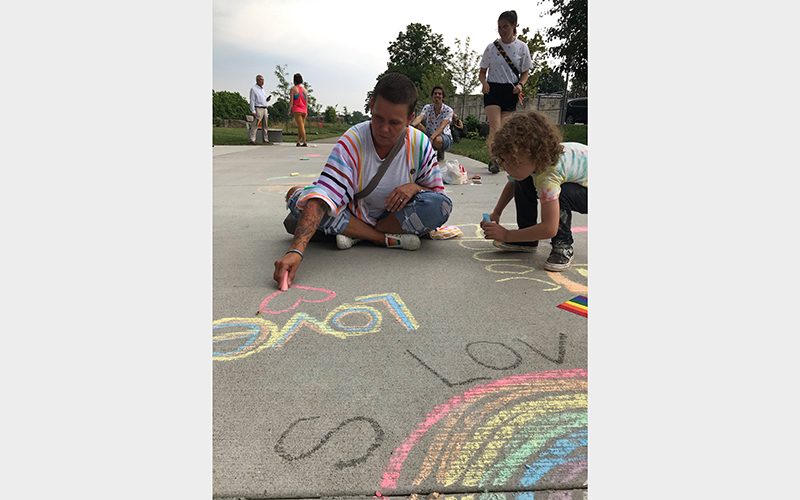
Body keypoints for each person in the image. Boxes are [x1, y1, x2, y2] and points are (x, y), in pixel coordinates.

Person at [273, 73, 453, 286]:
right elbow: (323, 196)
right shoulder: (352, 141)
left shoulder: (420, 144)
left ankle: (357, 233)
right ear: (371, 106)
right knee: (296, 197)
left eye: (395, 123)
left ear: (409, 118)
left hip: (389, 216)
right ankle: (382, 238)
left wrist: (414, 186)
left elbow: (437, 195)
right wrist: (295, 251)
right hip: (354, 212)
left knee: (440, 207)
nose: (384, 129)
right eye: (378, 118)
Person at [481, 110, 587, 272]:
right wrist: (497, 212)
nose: (508, 168)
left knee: (561, 193)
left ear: (537, 155)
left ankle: (563, 245)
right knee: (522, 180)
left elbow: (549, 228)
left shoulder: (549, 174)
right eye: (506, 162)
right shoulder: (531, 162)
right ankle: (527, 241)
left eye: (515, 163)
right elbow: (512, 185)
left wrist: (507, 235)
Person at [479, 10, 532, 173]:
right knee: (495, 126)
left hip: (511, 90)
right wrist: (484, 82)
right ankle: (493, 160)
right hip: (493, 89)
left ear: (515, 26)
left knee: (506, 128)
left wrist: (521, 85)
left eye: (505, 27)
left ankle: (506, 158)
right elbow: (482, 71)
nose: (502, 30)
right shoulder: (491, 47)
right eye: (499, 27)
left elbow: (525, 72)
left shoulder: (522, 48)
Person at [411, 86, 453, 162]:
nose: (437, 95)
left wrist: (431, 138)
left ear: (443, 97)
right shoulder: (427, 107)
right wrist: (411, 126)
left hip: (443, 136)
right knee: (417, 125)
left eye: (439, 94)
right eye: (435, 94)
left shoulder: (448, 110)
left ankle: (440, 151)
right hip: (429, 132)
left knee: (437, 140)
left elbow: (442, 126)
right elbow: (420, 117)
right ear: (432, 97)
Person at [249, 74, 271, 144]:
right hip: (258, 109)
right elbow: (252, 100)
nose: (262, 81)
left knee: (265, 125)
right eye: (261, 80)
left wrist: (266, 100)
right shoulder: (254, 89)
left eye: (263, 80)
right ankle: (252, 139)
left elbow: (261, 99)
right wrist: (253, 110)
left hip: (264, 109)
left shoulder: (262, 90)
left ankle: (265, 139)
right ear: (257, 80)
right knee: (256, 124)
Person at [289, 73, 308, 147]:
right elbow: (306, 102)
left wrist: (289, 110)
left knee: (300, 126)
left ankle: (305, 141)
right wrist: (306, 110)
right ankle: (299, 141)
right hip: (304, 110)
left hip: (297, 110)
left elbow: (291, 101)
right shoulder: (304, 90)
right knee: (301, 126)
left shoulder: (293, 89)